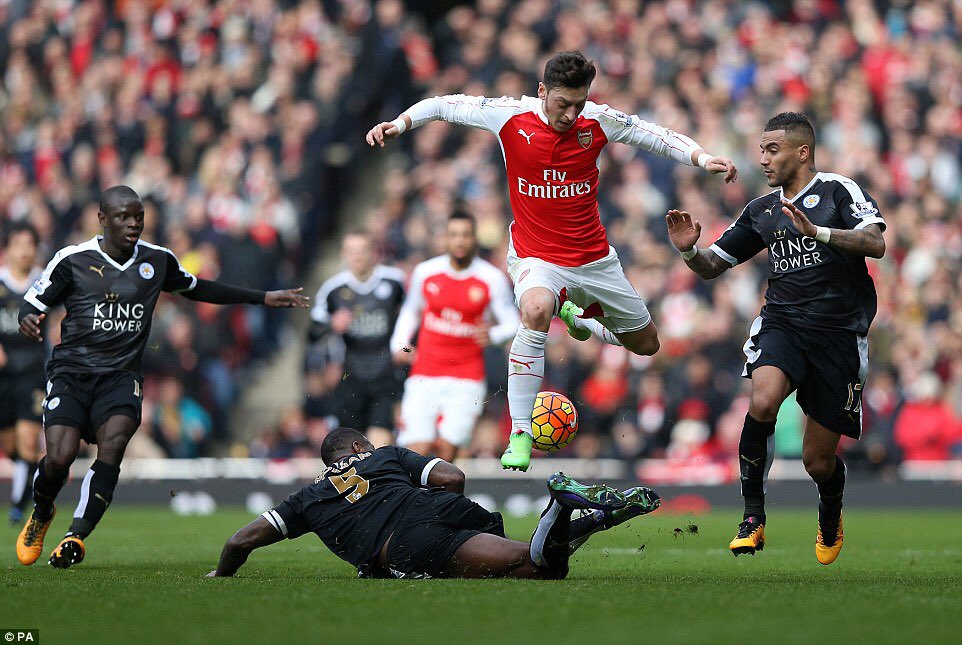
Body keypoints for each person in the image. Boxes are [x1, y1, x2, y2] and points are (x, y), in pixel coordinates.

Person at [366, 50, 737, 471]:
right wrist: (400, 123)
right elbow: (443, 104)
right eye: (563, 103)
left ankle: (580, 319)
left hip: (594, 260)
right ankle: (521, 432)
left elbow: (655, 134)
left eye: (579, 103)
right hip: (536, 257)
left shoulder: (597, 120)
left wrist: (702, 157)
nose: (571, 114)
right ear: (542, 91)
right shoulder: (509, 116)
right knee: (537, 309)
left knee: (647, 345)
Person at [15, 185, 310, 569]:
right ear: (103, 219)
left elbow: (199, 288)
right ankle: (41, 512)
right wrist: (28, 318)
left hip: (121, 377)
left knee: (113, 445)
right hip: (72, 373)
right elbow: (32, 301)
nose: (133, 224)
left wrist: (262, 297)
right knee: (59, 458)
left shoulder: (157, 260)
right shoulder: (72, 260)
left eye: (138, 216)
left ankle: (76, 535)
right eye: (123, 217)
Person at [665, 112, 886, 565]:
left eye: (772, 150)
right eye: (761, 150)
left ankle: (830, 507)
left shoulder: (838, 191)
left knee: (817, 462)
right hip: (783, 323)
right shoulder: (761, 210)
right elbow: (713, 265)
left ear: (802, 152)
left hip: (838, 334)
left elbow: (875, 243)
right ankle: (752, 517)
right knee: (763, 401)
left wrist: (818, 232)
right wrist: (689, 250)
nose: (763, 159)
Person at [208, 427, 661, 579]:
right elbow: (452, 478)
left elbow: (240, 541)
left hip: (408, 543)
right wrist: (448, 518)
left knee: (538, 564)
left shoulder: (307, 498)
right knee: (533, 566)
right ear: (360, 446)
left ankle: (561, 507)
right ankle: (590, 518)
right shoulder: (385, 455)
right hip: (438, 509)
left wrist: (221, 573)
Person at [389, 212, 519, 461]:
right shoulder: (426, 272)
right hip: (424, 373)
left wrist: (493, 335)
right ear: (445, 238)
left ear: (474, 239)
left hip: (466, 377)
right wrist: (399, 344)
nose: (460, 241)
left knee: (448, 452)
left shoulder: (491, 278)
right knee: (416, 450)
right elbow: (410, 311)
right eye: (454, 235)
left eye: (465, 235)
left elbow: (512, 322)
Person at [309, 231, 406, 447]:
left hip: (385, 375)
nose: (358, 256)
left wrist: (405, 348)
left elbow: (412, 319)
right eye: (352, 251)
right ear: (344, 254)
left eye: (363, 250)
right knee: (351, 447)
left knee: (380, 446)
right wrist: (332, 325)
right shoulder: (333, 289)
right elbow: (313, 333)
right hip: (350, 376)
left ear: (374, 252)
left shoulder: (394, 281)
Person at [0, 222, 46, 524]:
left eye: (30, 244)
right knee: (11, 444)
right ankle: (30, 476)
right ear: (8, 249)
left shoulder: (45, 282)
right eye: (18, 244)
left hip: (33, 371)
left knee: (29, 439)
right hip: (4, 374)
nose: (24, 251)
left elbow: (58, 322)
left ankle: (18, 507)